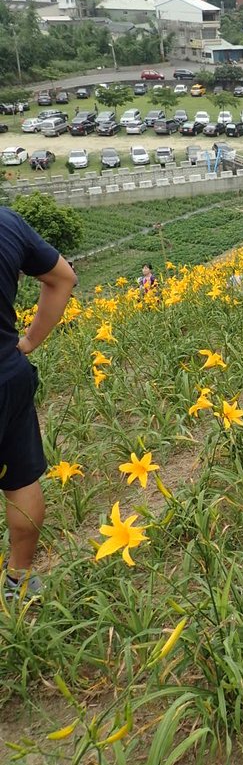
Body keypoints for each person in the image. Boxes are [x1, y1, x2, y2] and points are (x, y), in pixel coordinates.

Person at [0, 208, 77, 599]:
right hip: (7, 375)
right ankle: (19, 580)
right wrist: (27, 343)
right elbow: (64, 278)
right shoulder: (6, 223)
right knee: (20, 480)